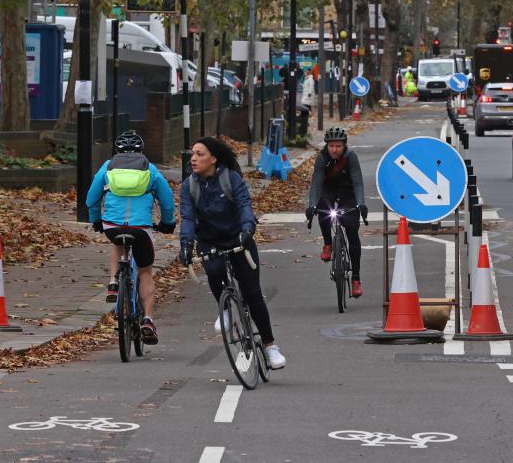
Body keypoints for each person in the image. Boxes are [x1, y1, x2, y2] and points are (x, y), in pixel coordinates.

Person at [178, 137, 286, 369]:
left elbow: (244, 205)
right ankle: (225, 309)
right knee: (214, 271)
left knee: (252, 293)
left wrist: (248, 229)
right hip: (209, 240)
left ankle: (269, 347)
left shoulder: (231, 178)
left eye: (199, 154)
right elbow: (187, 218)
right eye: (192, 154)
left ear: (214, 159)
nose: (193, 159)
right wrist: (185, 244)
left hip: (238, 237)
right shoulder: (189, 186)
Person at [86, 130, 175, 345]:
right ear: (141, 150)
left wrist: (97, 220)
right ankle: (147, 319)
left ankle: (113, 283)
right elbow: (167, 201)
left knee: (117, 244)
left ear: (116, 151)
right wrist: (167, 223)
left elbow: (92, 198)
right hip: (141, 228)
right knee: (145, 271)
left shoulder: (107, 167)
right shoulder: (151, 170)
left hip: (112, 226)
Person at [305, 127, 369, 297]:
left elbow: (358, 183)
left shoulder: (350, 157)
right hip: (328, 191)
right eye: (331, 146)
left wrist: (361, 204)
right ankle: (328, 244)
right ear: (327, 146)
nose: (334, 149)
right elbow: (316, 183)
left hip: (348, 193)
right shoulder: (322, 158)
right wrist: (311, 205)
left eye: (338, 146)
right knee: (323, 209)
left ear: (344, 146)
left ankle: (356, 279)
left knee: (352, 232)